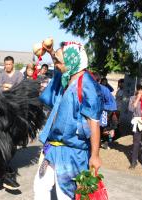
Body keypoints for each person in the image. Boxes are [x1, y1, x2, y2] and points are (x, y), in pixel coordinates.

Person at [34, 41, 103, 199]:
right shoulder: (67, 78)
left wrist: (95, 155)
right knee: (40, 186)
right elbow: (59, 62)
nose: (55, 65)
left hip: (73, 153)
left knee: (65, 195)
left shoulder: (89, 86)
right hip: (53, 148)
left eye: (58, 61)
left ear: (72, 61)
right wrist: (52, 52)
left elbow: (94, 122)